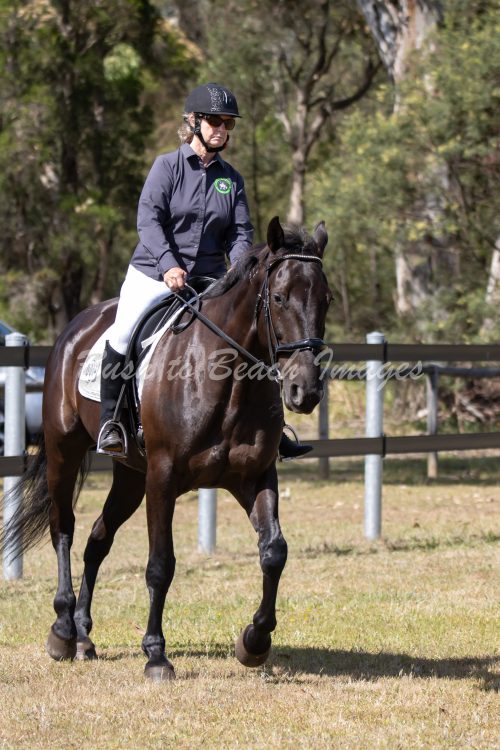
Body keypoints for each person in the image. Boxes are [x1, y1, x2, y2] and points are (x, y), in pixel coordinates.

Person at [97, 82, 311, 460]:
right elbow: (149, 221)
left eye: (228, 123)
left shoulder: (232, 179)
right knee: (124, 332)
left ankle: (272, 426)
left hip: (210, 278)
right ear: (194, 121)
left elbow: (240, 233)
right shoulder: (167, 167)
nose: (222, 129)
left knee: (254, 332)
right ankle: (111, 421)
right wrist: (169, 265)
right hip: (154, 273)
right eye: (215, 121)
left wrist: (242, 272)